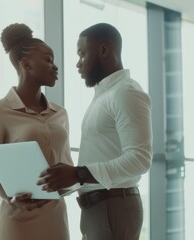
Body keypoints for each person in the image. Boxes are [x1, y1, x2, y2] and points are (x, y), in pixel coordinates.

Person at [37, 23, 152, 240]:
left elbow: (140, 159)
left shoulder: (126, 92)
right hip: (99, 208)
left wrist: (78, 174)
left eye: (82, 54)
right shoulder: (105, 95)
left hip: (113, 207)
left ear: (104, 50)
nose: (78, 64)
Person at [0, 23, 73, 240]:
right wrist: (9, 197)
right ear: (26, 64)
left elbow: (66, 164)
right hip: (17, 218)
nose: (55, 67)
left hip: (55, 217)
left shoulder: (61, 114)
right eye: (48, 60)